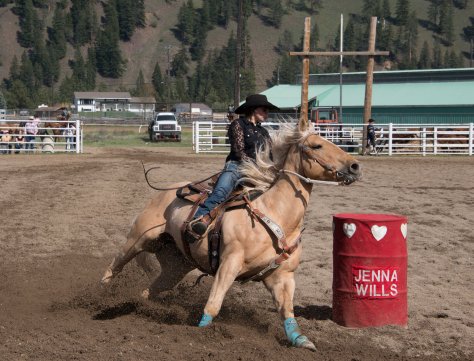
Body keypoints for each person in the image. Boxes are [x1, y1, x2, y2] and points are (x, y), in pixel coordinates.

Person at [189, 94, 279, 237]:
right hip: (237, 166)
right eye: (264, 110)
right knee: (221, 191)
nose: (267, 114)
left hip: (259, 172)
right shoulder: (238, 125)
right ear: (254, 109)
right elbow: (238, 151)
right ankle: (197, 221)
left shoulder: (264, 132)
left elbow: (270, 155)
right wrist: (253, 167)